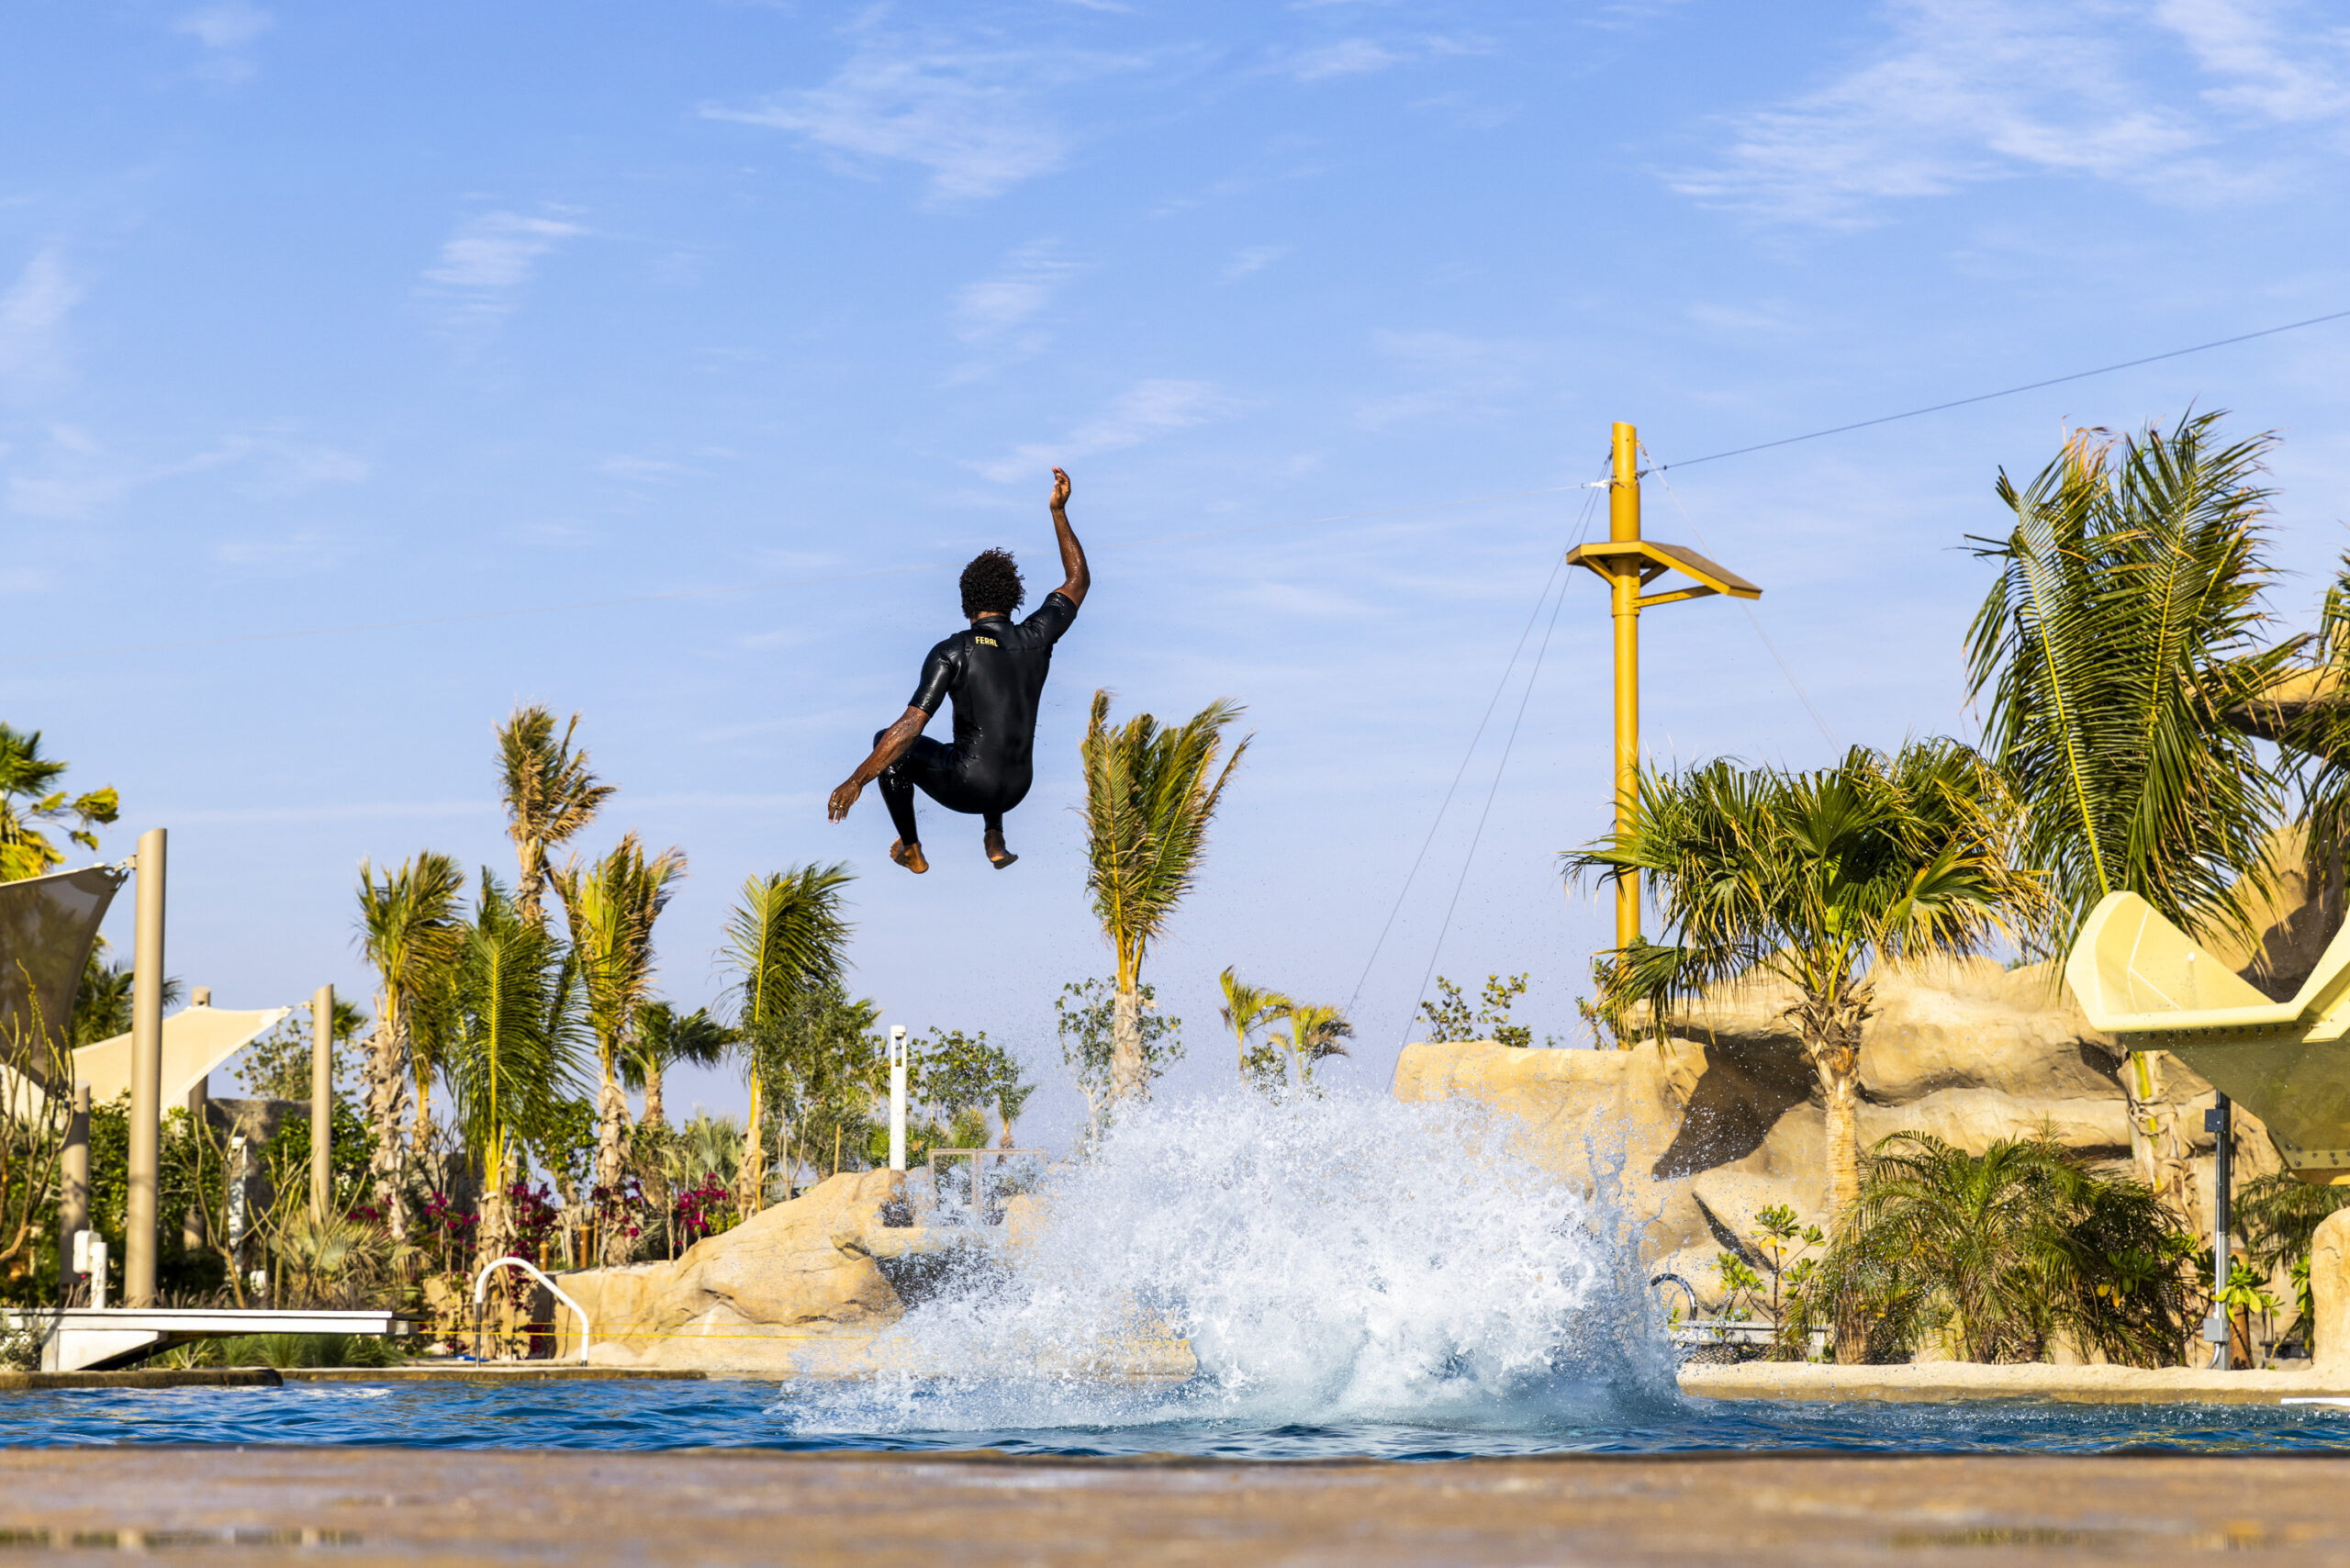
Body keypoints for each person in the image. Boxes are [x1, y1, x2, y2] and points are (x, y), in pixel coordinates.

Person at [827, 467, 1090, 872]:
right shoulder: (1036, 635)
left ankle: (912, 849)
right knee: (989, 720)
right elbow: (1078, 579)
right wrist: (1058, 512)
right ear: (1013, 597)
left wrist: (856, 780)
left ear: (967, 601)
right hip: (1017, 789)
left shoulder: (954, 650)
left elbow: (909, 729)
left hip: (971, 788)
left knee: (888, 742)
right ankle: (994, 836)